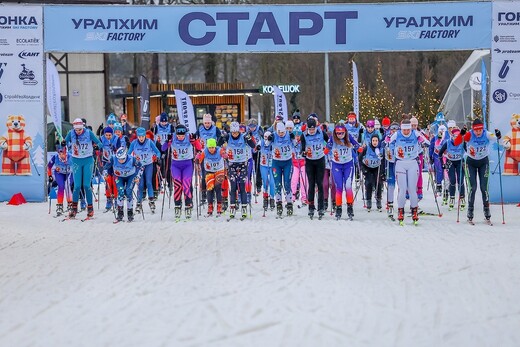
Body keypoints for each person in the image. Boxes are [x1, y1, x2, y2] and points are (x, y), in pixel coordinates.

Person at [453, 119, 499, 223]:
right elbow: (456, 143)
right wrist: (461, 134)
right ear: (473, 129)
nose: (478, 132)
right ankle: (470, 212)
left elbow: (497, 138)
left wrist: (498, 134)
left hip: (483, 162)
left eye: (480, 130)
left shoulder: (486, 134)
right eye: (476, 130)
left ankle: (487, 211)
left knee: (484, 188)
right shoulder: (469, 135)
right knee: (473, 188)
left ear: (482, 129)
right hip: (471, 163)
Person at [389, 119, 430, 225]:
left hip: (412, 163)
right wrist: (392, 151)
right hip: (400, 164)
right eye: (404, 130)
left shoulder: (415, 133)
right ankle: (400, 211)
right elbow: (389, 143)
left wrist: (423, 143)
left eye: (408, 129)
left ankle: (414, 211)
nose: (406, 132)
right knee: (402, 189)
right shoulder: (397, 135)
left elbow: (426, 141)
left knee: (412, 189)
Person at [64, 118, 103, 219]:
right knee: (77, 186)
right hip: (76, 161)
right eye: (76, 130)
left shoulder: (89, 133)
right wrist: (63, 143)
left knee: (86, 185)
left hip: (87, 160)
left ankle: (90, 208)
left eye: (80, 130)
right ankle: (74, 208)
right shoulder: (71, 133)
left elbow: (99, 143)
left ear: (83, 127)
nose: (78, 132)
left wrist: (97, 147)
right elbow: (64, 141)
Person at [163, 124, 201, 219]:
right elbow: (163, 149)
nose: (180, 137)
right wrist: (167, 141)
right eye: (179, 136)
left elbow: (199, 148)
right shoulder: (173, 138)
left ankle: (188, 204)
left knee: (186, 184)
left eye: (182, 136)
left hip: (187, 164)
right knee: (177, 185)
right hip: (175, 165)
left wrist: (195, 140)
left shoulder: (189, 137)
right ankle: (177, 205)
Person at [219, 122, 256, 219]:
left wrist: (249, 138)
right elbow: (218, 144)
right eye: (233, 133)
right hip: (232, 164)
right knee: (233, 185)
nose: (235, 134)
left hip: (243, 163)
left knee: (242, 186)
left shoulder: (243, 136)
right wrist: (222, 137)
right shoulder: (228, 137)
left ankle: (244, 207)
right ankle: (232, 207)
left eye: (236, 132)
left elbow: (253, 146)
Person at [326, 123, 359, 220]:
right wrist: (327, 148)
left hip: (348, 164)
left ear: (345, 132)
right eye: (338, 133)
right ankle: (338, 208)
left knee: (348, 186)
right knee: (339, 187)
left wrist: (359, 148)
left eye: (342, 133)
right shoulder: (332, 138)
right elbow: (327, 149)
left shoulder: (349, 137)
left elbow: (357, 145)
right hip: (337, 165)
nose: (340, 135)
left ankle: (350, 207)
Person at [102, 147, 143, 222]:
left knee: (128, 191)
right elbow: (105, 167)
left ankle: (130, 212)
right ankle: (120, 213)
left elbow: (141, 167)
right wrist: (105, 174)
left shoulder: (132, 159)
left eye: (122, 159)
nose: (120, 161)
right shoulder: (113, 158)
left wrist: (138, 177)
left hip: (131, 176)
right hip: (119, 176)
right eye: (119, 159)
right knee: (120, 192)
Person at [300, 116, 329, 219]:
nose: (311, 131)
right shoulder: (304, 135)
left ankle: (321, 207)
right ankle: (311, 207)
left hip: (320, 160)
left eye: (313, 129)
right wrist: (303, 152)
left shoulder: (321, 133)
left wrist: (327, 149)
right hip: (310, 162)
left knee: (320, 184)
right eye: (310, 129)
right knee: (311, 184)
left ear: (316, 127)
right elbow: (302, 148)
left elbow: (329, 141)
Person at [128, 127, 161, 214]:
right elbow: (128, 154)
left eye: (143, 136)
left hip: (148, 165)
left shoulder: (149, 142)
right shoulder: (134, 143)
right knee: (140, 184)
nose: (141, 138)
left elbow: (157, 152)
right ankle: (139, 203)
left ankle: (151, 200)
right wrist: (129, 161)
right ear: (137, 136)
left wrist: (157, 157)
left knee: (149, 182)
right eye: (139, 137)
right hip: (139, 166)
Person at [195, 138, 227, 217]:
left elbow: (225, 156)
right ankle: (210, 208)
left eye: (213, 147)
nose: (211, 149)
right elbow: (198, 160)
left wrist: (225, 154)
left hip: (219, 171)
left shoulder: (219, 150)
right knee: (209, 189)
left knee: (218, 188)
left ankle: (219, 207)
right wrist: (197, 157)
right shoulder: (205, 151)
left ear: (215, 147)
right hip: (209, 171)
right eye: (210, 147)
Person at [270, 122, 296, 217]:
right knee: (277, 184)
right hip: (276, 163)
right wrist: (269, 140)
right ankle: (279, 204)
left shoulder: (288, 135)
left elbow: (296, 144)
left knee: (286, 183)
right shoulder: (274, 135)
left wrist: (293, 138)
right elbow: (266, 144)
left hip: (287, 162)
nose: (281, 134)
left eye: (282, 132)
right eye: (279, 132)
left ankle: (289, 204)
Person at [438, 127, 466, 211]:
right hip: (450, 162)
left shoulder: (462, 142)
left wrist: (467, 160)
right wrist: (442, 164)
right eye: (454, 136)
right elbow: (440, 153)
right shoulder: (447, 142)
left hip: (460, 162)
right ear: (451, 135)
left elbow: (469, 152)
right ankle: (452, 198)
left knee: (460, 180)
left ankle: (462, 198)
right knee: (452, 180)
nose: (456, 138)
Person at [359, 134, 384, 212]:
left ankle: (378, 200)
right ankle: (368, 200)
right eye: (373, 140)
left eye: (376, 141)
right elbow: (360, 158)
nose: (375, 142)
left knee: (378, 183)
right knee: (368, 183)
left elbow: (383, 161)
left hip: (377, 167)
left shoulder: (380, 149)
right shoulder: (366, 148)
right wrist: (363, 169)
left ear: (378, 141)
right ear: (371, 141)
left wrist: (383, 172)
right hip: (368, 168)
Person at [98, 126, 121, 212]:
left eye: (109, 135)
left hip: (115, 162)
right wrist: (97, 150)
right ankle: (109, 199)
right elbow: (99, 148)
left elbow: (120, 150)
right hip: (106, 161)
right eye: (106, 135)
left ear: (112, 134)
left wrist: (116, 149)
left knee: (115, 181)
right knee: (108, 180)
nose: (108, 136)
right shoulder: (102, 138)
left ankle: (116, 198)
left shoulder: (116, 138)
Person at [47, 144, 73, 216]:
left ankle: (70, 204)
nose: (62, 155)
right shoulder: (55, 157)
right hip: (59, 173)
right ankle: (59, 206)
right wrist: (50, 176)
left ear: (66, 152)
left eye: (63, 154)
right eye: (60, 153)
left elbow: (77, 165)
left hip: (69, 173)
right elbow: (49, 167)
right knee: (61, 186)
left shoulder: (71, 157)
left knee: (67, 186)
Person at [382, 122, 400, 219]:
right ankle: (390, 205)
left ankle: (401, 205)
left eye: (396, 129)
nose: (394, 131)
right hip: (390, 163)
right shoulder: (387, 137)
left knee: (402, 185)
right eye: (392, 129)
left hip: (400, 163)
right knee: (391, 184)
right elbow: (382, 144)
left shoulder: (401, 137)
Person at [429, 124, 448, 202]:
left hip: (446, 156)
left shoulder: (448, 137)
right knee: (439, 170)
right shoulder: (436, 137)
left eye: (443, 131)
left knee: (446, 171)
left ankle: (447, 187)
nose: (442, 133)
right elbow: (432, 146)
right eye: (440, 131)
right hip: (437, 156)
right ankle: (439, 185)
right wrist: (431, 156)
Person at [257, 130, 275, 211]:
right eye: (265, 137)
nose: (266, 139)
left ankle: (272, 198)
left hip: (272, 165)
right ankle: (265, 198)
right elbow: (257, 147)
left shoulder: (273, 142)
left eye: (268, 138)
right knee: (266, 182)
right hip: (263, 165)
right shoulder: (262, 142)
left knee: (272, 182)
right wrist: (258, 147)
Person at [291, 128, 308, 207]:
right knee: (294, 180)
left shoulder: (303, 142)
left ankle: (304, 198)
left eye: (299, 135)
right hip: (295, 163)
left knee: (303, 180)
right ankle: (292, 196)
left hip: (303, 163)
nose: (297, 137)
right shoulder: (293, 142)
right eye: (295, 135)